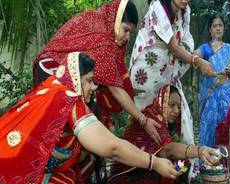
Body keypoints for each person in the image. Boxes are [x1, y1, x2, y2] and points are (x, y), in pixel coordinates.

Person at [0, 52, 179, 184]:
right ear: (75, 78)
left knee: (72, 183)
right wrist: (154, 162)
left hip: (22, 168)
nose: (94, 87)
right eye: (90, 80)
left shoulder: (54, 89)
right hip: (15, 175)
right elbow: (112, 148)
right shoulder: (67, 97)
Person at [34, 0, 162, 143]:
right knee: (74, 123)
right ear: (115, 19)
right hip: (52, 72)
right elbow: (116, 89)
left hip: (57, 70)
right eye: (125, 30)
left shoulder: (100, 21)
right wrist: (143, 120)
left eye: (130, 32)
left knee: (90, 107)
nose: (127, 37)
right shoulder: (104, 41)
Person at [107, 85, 219, 184]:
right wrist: (200, 151)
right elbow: (167, 149)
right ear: (162, 101)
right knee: (174, 160)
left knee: (181, 162)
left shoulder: (163, 122)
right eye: (172, 105)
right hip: (125, 181)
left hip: (145, 168)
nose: (176, 111)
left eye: (178, 107)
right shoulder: (152, 118)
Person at [129, 0, 214, 149]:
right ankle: (142, 160)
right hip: (146, 76)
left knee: (178, 118)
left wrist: (188, 55)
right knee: (145, 118)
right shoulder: (157, 7)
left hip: (168, 72)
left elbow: (186, 40)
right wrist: (197, 61)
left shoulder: (185, 11)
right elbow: (174, 46)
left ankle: (179, 160)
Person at [195, 14, 230, 148]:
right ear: (210, 29)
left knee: (227, 126)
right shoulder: (205, 48)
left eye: (220, 25)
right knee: (209, 126)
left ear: (224, 28)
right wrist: (199, 61)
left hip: (227, 96)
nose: (218, 28)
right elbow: (194, 57)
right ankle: (206, 159)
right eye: (215, 26)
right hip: (210, 96)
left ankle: (227, 162)